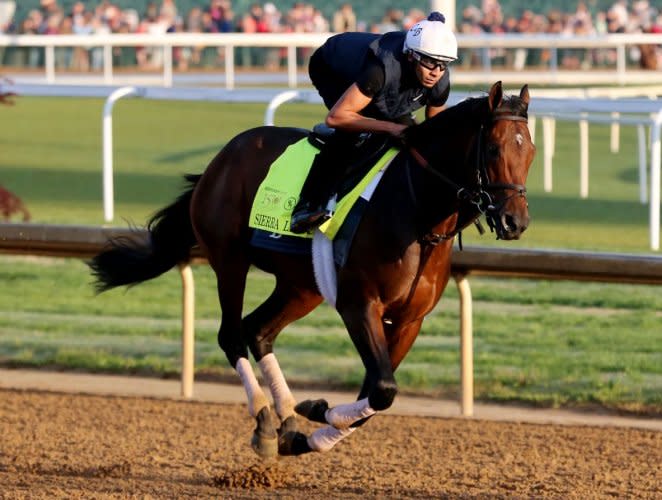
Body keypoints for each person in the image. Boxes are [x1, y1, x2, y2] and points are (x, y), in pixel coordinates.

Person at [289, 12, 457, 234]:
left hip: (384, 82)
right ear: (411, 56)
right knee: (350, 134)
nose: (436, 72)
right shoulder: (378, 72)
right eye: (429, 63)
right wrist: (391, 127)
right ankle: (306, 206)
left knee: (413, 137)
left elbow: (435, 130)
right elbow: (336, 118)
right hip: (332, 67)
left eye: (442, 65)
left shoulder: (439, 80)